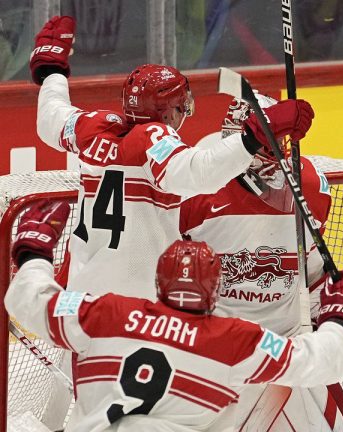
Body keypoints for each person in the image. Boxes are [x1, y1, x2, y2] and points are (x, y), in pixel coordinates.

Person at [5, 199, 343, 432]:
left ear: (158, 281)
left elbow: (27, 300)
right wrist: (339, 319)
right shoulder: (236, 340)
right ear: (215, 290)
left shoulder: (105, 312)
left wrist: (33, 253)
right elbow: (321, 362)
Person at [30, 15, 314, 299]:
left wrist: (52, 70)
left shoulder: (89, 128)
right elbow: (200, 172)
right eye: (182, 107)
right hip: (138, 304)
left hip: (82, 297)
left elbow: (50, 116)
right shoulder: (155, 140)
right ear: (168, 112)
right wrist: (254, 136)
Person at [181, 95, 343, 431]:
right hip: (218, 362)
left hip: (292, 352)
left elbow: (308, 273)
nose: (275, 159)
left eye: (280, 146)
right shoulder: (194, 191)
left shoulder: (310, 188)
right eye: (263, 147)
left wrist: (342, 304)